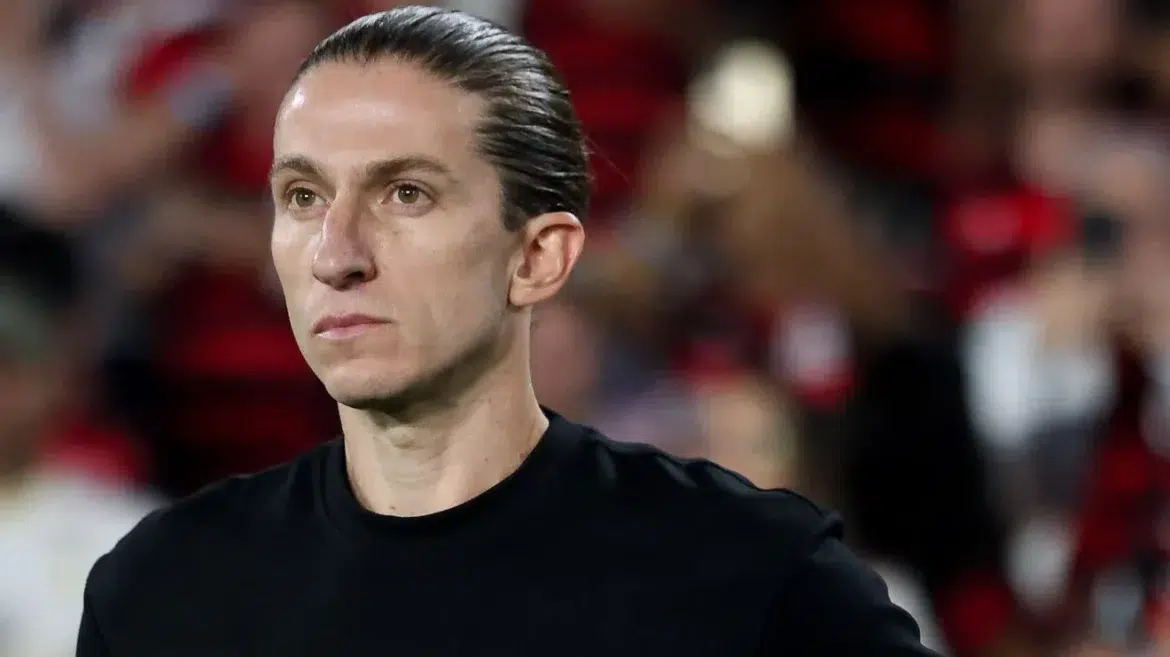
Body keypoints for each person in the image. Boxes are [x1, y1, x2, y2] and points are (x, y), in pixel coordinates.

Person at [76, 7, 937, 656]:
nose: (336, 253)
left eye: (406, 193)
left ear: (538, 256)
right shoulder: (165, 588)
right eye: (302, 196)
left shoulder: (752, 571)